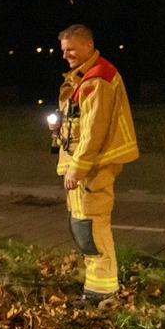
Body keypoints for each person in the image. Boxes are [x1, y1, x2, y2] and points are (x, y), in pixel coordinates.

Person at [54, 24, 138, 307]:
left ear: (88, 46)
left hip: (91, 168)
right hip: (86, 167)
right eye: (64, 50)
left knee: (91, 227)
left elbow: (94, 130)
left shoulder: (97, 79)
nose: (66, 55)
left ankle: (102, 292)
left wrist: (76, 168)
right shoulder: (86, 77)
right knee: (85, 226)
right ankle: (98, 288)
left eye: (71, 49)